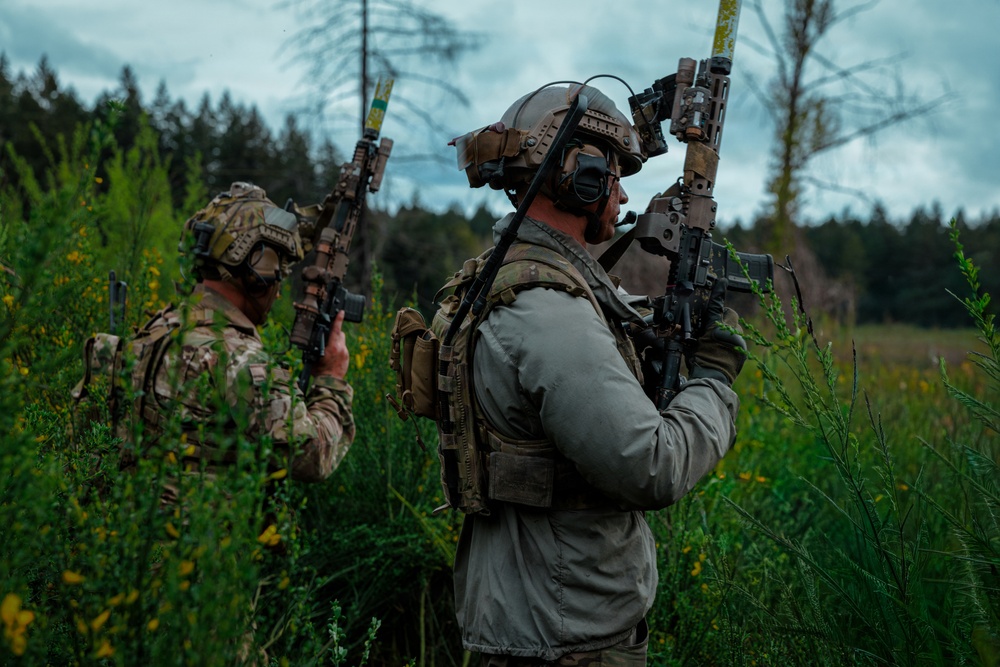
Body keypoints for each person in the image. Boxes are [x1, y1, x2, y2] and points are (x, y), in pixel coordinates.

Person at [442, 83, 747, 665]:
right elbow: (650, 465)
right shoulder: (548, 311)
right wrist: (713, 380)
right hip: (563, 631)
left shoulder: (509, 278)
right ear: (578, 174)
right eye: (611, 173)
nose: (622, 192)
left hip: (528, 609)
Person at [76, 181, 355, 503]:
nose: (280, 279)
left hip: (119, 540)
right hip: (198, 548)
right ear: (258, 268)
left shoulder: (156, 330)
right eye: (278, 264)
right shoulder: (239, 360)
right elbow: (314, 456)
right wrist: (331, 379)